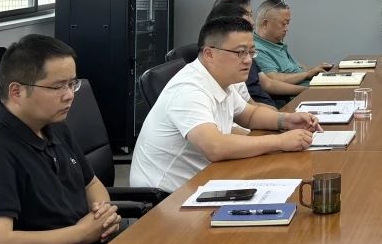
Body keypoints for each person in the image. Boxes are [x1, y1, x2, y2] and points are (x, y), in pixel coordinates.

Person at [0, 35, 121, 244]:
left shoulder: (55, 126)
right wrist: (80, 233)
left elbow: (91, 184)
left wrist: (102, 215)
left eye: (72, 84)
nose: (69, 95)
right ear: (16, 92)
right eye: (57, 86)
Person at [130, 16, 321, 192]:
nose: (248, 60)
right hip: (167, 197)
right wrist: (280, 141)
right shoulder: (188, 89)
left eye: (251, 52)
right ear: (209, 54)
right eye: (240, 52)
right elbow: (215, 147)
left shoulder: (222, 80)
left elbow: (250, 115)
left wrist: (287, 120)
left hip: (205, 179)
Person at [208, 0, 301, 105]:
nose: (252, 22)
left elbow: (251, 105)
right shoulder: (221, 73)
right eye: (247, 15)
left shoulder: (240, 68)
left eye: (251, 52)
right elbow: (249, 108)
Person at [252, 0, 332, 87]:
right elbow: (273, 79)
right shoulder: (257, 49)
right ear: (265, 23)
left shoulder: (275, 43)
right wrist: (307, 74)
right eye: (283, 24)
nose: (287, 29)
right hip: (300, 93)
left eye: (288, 23)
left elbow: (296, 68)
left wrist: (315, 70)